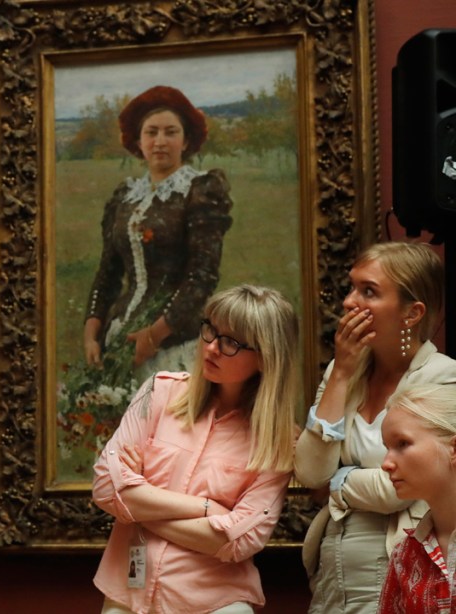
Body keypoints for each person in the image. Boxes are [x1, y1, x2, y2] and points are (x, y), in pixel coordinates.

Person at [92, 284, 298, 613]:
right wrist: (205, 508)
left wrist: (139, 509)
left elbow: (240, 539)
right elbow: (105, 486)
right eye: (210, 330)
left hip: (216, 605)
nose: (211, 348)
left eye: (230, 342)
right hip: (127, 598)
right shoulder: (158, 392)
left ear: (265, 358)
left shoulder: (278, 441)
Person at [294, 241, 456, 613]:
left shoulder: (443, 378)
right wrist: (341, 376)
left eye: (368, 291)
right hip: (332, 567)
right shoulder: (342, 371)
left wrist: (338, 483)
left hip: (398, 562)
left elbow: (395, 491)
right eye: (352, 287)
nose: (350, 302)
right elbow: (310, 471)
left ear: (411, 313)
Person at [83, 85, 232, 377]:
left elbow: (202, 277)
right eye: (151, 132)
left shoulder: (199, 192)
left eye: (170, 132)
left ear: (186, 140)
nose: (160, 141)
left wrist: (154, 335)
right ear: (138, 141)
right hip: (120, 339)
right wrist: (91, 333)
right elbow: (108, 273)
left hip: (175, 343)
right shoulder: (125, 196)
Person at [376, 384, 456, 613]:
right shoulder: (405, 556)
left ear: (454, 448)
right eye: (387, 447)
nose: (385, 463)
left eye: (402, 443)